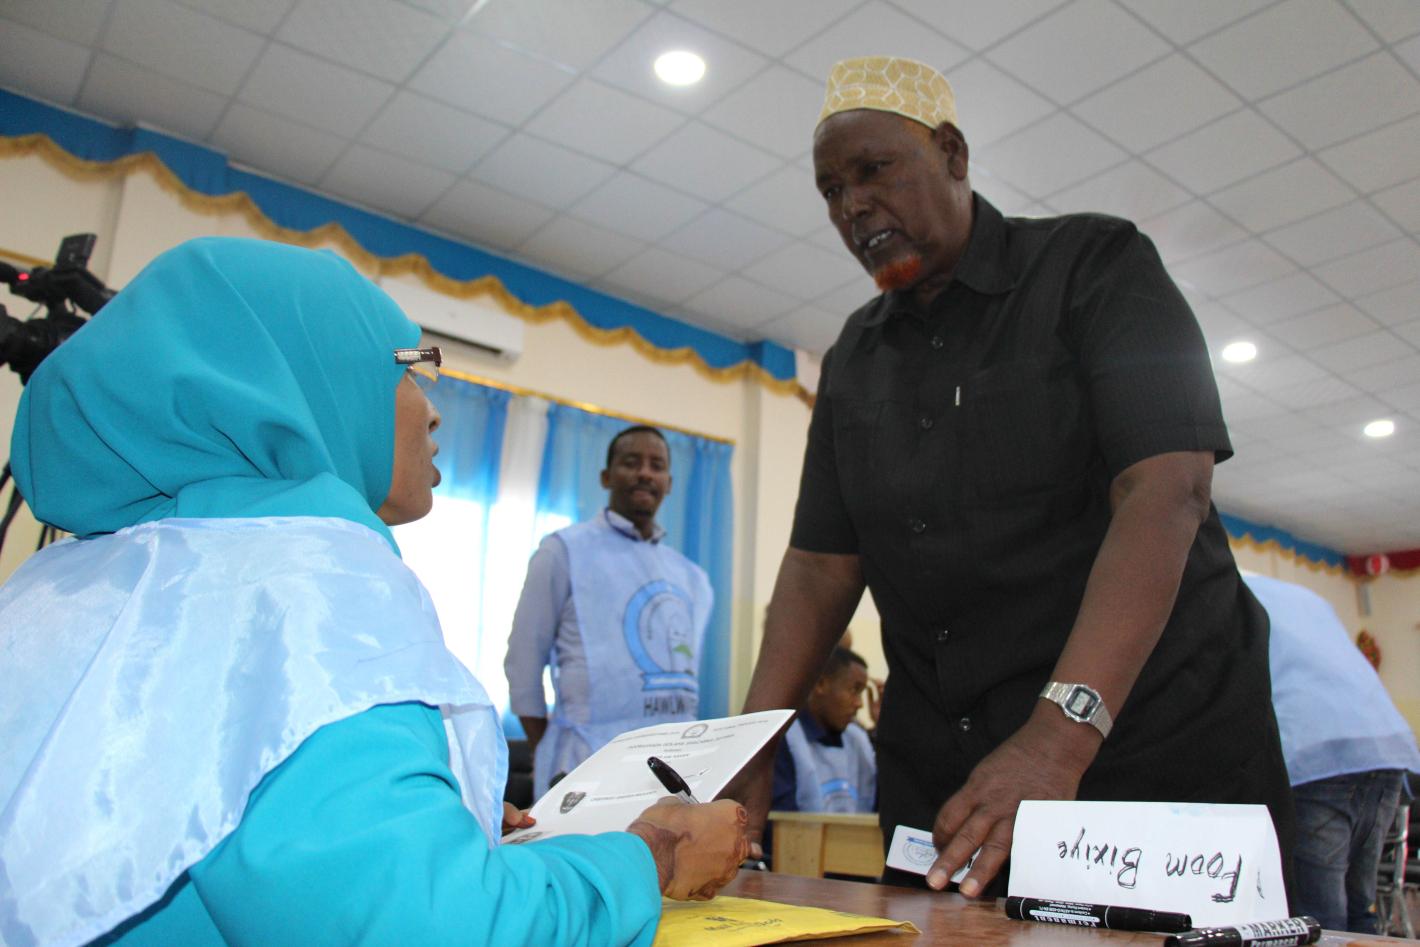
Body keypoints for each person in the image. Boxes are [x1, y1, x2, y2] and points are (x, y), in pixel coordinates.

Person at [0, 237, 751, 947]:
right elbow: (437, 927)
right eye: (406, 368)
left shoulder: (65, 586)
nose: (432, 407)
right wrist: (651, 855)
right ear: (314, 380)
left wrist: (430, 815)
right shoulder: (305, 587)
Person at [728, 55, 1295, 900]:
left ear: (952, 153)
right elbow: (819, 566)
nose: (852, 206)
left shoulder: (1095, 266)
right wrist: (753, 741)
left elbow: (1168, 489)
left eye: (873, 170)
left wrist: (1057, 739)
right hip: (947, 792)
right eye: (831, 190)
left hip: (1148, 767)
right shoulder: (854, 358)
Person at [504, 426, 713, 799]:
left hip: (673, 773)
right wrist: (547, 748)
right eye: (631, 462)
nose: (645, 473)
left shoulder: (693, 579)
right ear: (606, 476)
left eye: (657, 466)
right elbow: (523, 662)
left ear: (669, 483)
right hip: (584, 766)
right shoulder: (563, 552)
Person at [1246, 573, 1420, 934]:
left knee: (1321, 919)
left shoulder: (1230, 593)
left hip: (1316, 755)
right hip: (1385, 746)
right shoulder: (1304, 596)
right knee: (1360, 907)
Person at [772, 647, 877, 815]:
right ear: (821, 684)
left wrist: (883, 728)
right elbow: (780, 820)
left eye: (861, 693)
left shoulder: (857, 738)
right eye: (854, 690)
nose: (859, 704)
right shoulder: (787, 739)